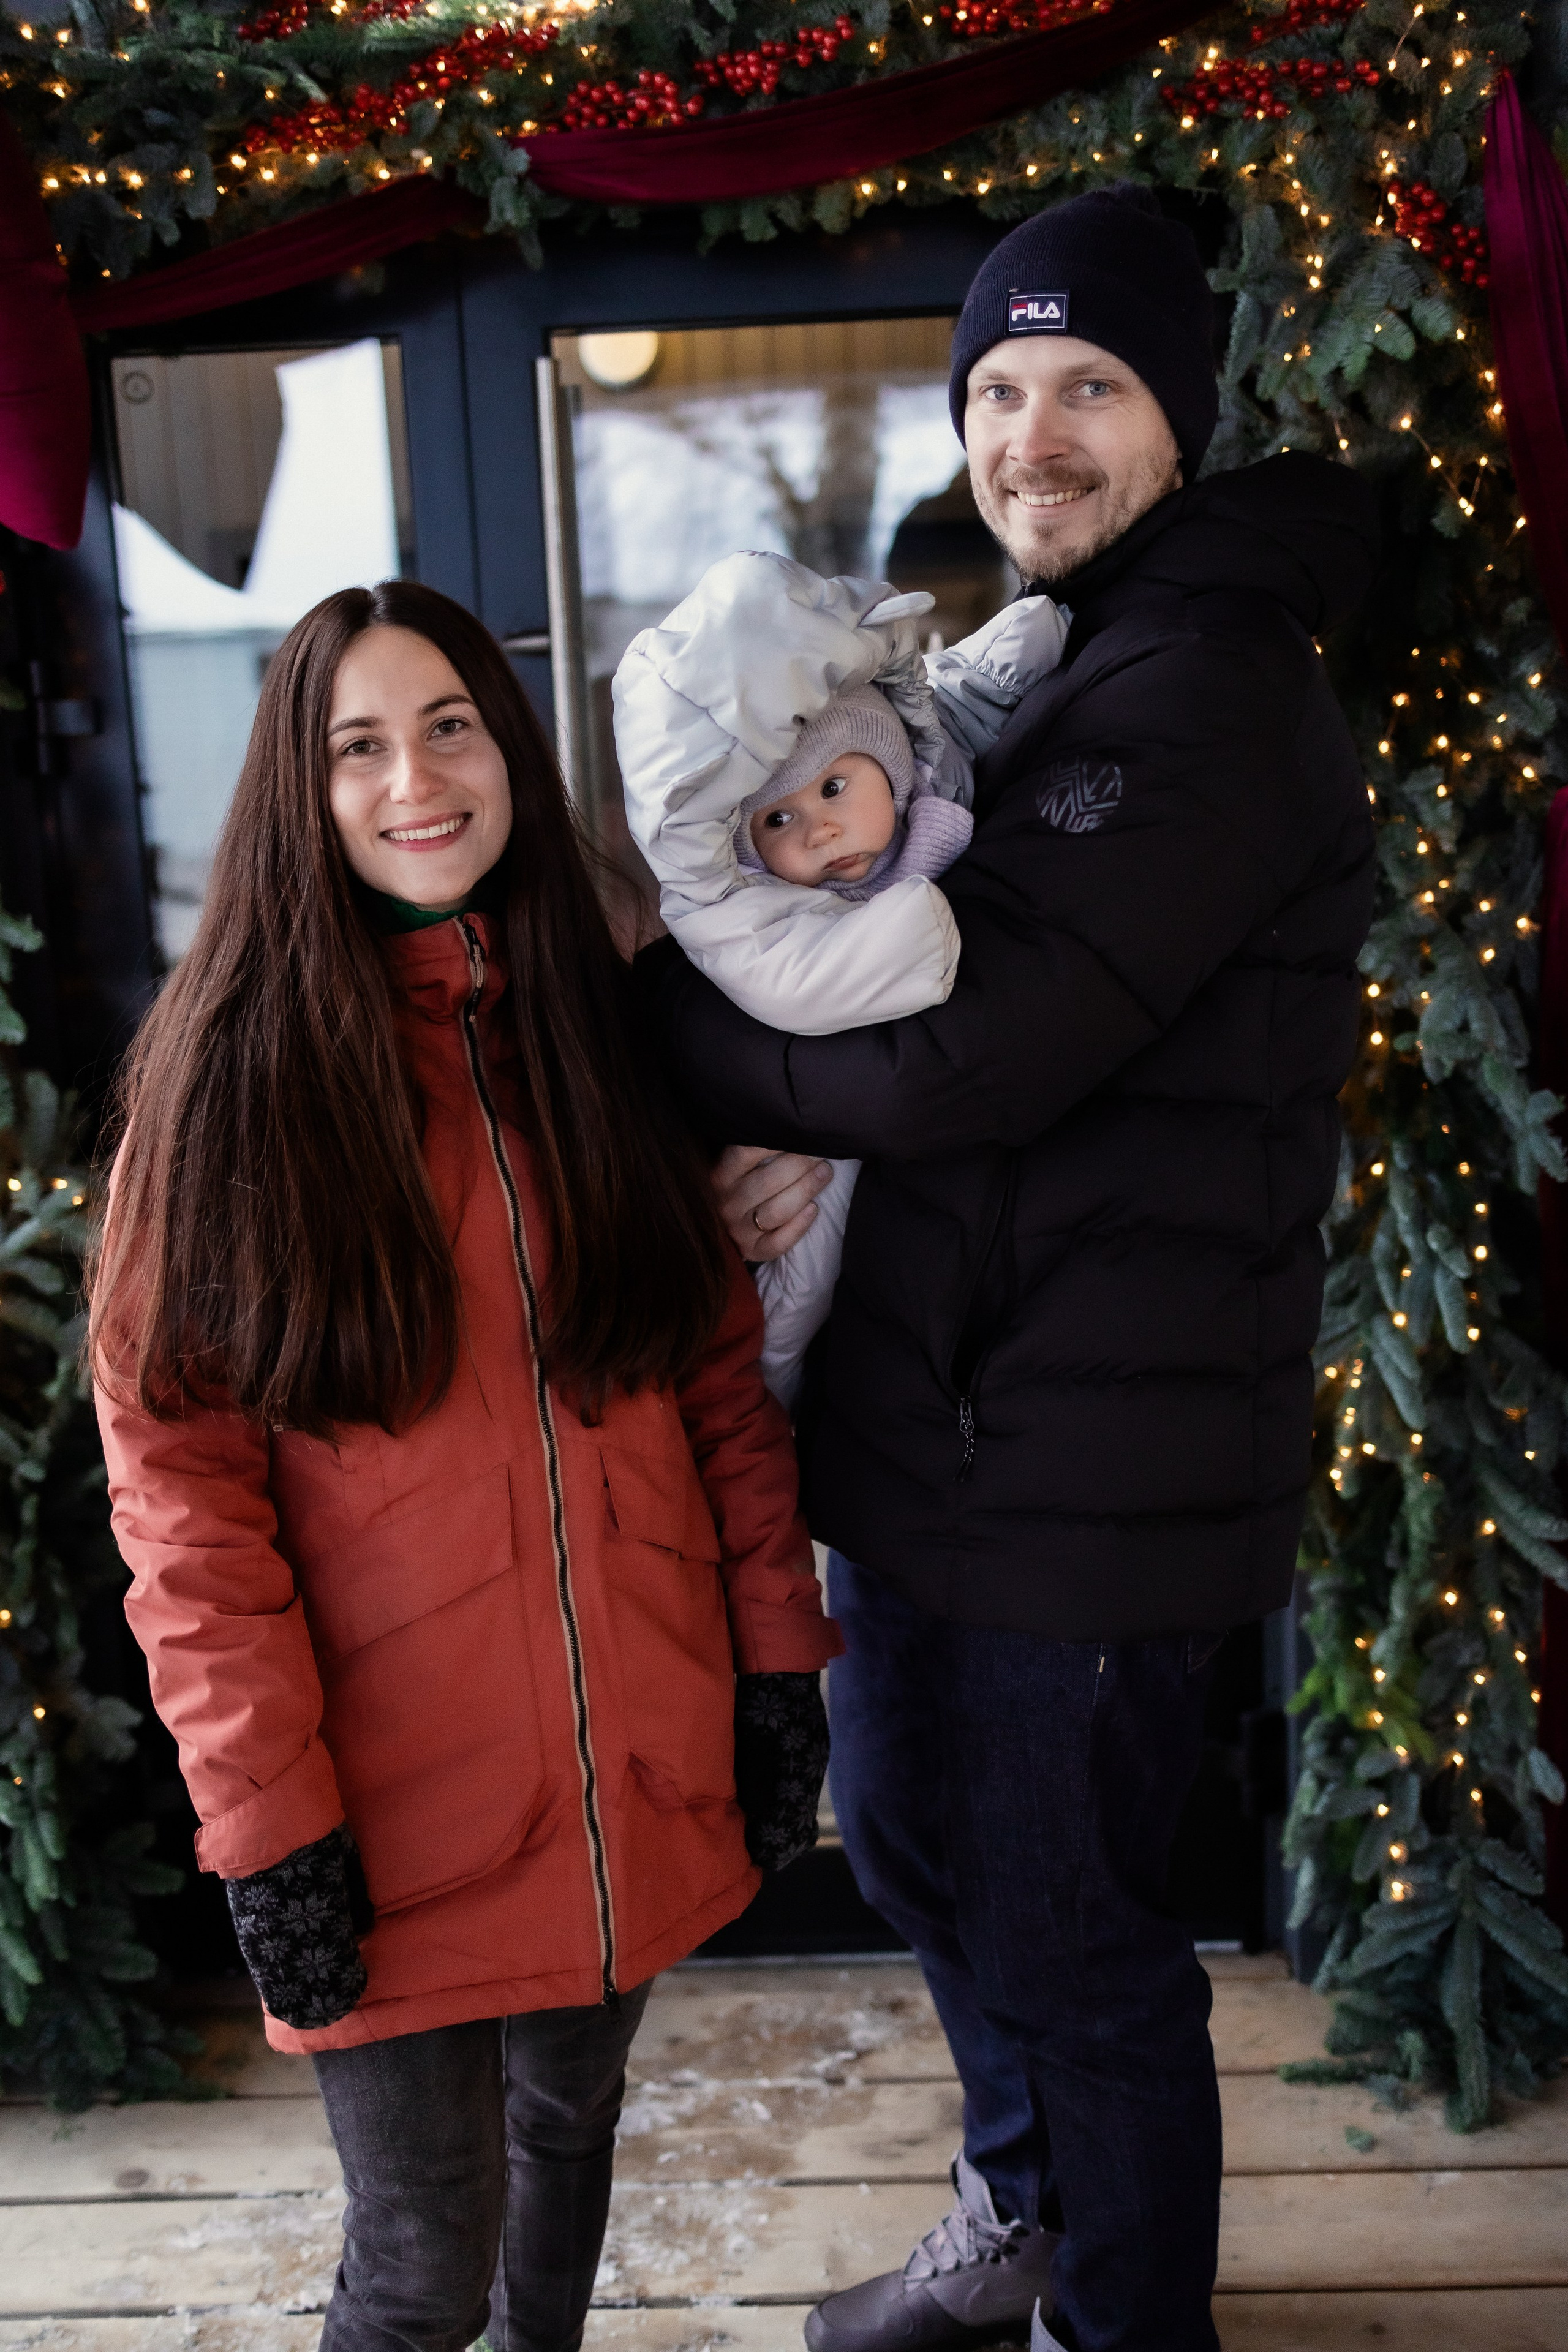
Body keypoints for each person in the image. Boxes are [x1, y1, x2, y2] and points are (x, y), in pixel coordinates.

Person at [641, 184, 1379, 2352]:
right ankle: (1020, 2208)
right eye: (997, 389)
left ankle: (1122, 2318)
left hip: (1101, 1451)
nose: (1031, 435)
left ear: (1183, 417)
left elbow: (979, 1052)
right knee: (920, 1859)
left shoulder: (1213, 683)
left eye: (1089, 386)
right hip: (947, 1425)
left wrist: (679, 1041)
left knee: (1074, 1930)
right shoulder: (1055, 660)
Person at [88, 579, 842, 2352]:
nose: (416, 779)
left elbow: (718, 1388)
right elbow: (183, 1509)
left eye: (449, 729)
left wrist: (777, 1663)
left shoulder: (606, 1035)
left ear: (508, 757)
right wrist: (270, 1833)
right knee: (424, 2258)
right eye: (360, 745)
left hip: (626, 1759)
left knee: (570, 2134)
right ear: (304, 788)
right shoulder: (228, 1091)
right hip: (383, 1802)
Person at [614, 549, 1068, 1404]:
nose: (820, 831)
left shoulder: (926, 786)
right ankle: (772, 1383)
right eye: (779, 819)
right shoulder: (754, 906)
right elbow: (795, 980)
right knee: (809, 1248)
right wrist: (912, 934)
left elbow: (956, 699)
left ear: (889, 767)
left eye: (834, 788)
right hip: (817, 1118)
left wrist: (1022, 644)